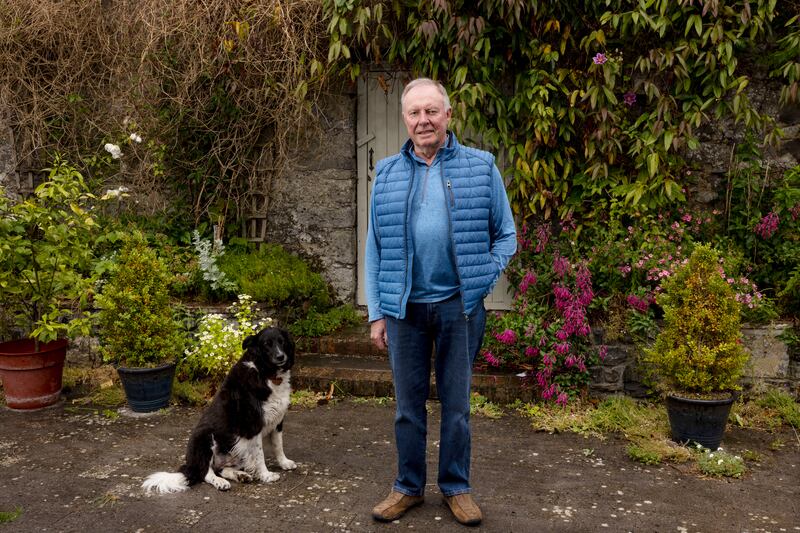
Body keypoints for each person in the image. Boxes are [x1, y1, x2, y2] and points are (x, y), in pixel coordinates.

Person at [365, 77, 517, 526]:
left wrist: (481, 278)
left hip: (459, 307)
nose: (423, 120)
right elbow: (374, 246)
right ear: (405, 119)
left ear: (448, 115)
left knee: (457, 407)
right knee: (407, 409)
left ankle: (456, 488)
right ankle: (407, 487)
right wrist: (378, 313)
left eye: (431, 111)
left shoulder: (481, 166)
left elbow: (506, 235)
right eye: (414, 113)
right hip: (404, 310)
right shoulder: (389, 172)